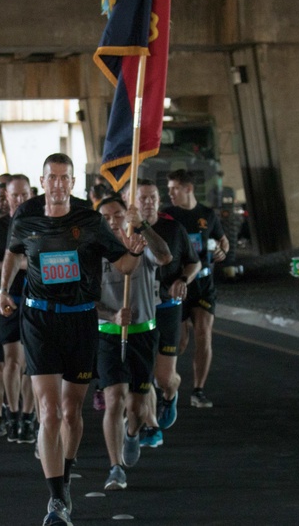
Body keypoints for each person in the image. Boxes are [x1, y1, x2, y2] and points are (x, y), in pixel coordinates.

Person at [0, 153, 145, 526]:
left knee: (71, 413)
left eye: (66, 178)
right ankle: (57, 497)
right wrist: (3, 290)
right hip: (39, 319)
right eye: (53, 178)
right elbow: (13, 255)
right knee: (48, 411)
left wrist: (134, 247)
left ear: (73, 181)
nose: (59, 184)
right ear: (43, 181)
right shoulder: (26, 218)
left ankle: (65, 469)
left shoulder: (90, 221)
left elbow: (124, 265)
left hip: (80, 320)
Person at [96, 195, 171, 491]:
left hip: (143, 333)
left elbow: (165, 257)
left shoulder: (141, 246)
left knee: (137, 407)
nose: (112, 221)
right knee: (114, 398)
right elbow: (87, 301)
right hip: (109, 335)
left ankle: (132, 431)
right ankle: (115, 467)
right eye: (105, 217)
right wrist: (111, 315)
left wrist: (142, 227)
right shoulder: (93, 252)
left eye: (117, 215)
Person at [135, 179, 200, 447]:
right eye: (143, 198)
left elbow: (193, 263)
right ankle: (151, 426)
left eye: (153, 198)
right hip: (139, 309)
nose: (148, 203)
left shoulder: (173, 228)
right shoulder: (125, 229)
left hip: (167, 308)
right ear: (133, 202)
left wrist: (183, 280)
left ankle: (170, 393)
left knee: (163, 377)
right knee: (142, 372)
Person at [0, 174, 37, 443]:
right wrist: (11, 265)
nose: (20, 200)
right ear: (6, 198)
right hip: (10, 299)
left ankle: (27, 415)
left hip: (38, 301)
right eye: (15, 195)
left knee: (33, 365)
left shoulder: (42, 226)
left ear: (31, 195)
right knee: (12, 361)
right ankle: (12, 413)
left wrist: (26, 265)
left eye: (25, 195)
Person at [164, 169, 228, 408]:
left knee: (204, 334)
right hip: (178, 285)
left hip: (203, 284)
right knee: (179, 342)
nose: (169, 193)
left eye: (174, 189)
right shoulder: (168, 215)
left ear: (188, 189)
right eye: (169, 189)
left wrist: (223, 251)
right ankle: (166, 382)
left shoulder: (207, 215)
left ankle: (198, 390)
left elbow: (223, 241)